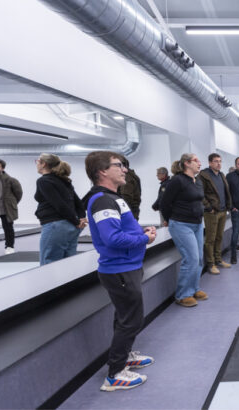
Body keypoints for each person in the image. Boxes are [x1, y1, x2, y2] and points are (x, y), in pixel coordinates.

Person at [84, 151, 156, 391]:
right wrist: (144, 239)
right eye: (119, 165)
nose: (125, 169)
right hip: (120, 269)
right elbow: (112, 238)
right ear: (102, 171)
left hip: (128, 266)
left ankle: (124, 356)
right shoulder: (103, 200)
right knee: (131, 321)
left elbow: (120, 230)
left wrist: (140, 232)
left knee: (125, 317)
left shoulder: (114, 198)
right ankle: (114, 375)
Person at [160, 154, 208, 307]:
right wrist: (170, 219)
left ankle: (194, 289)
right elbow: (164, 203)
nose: (199, 163)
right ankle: (182, 295)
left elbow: (198, 201)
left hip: (197, 224)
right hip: (181, 224)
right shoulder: (177, 180)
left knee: (199, 258)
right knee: (191, 258)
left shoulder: (197, 181)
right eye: (196, 160)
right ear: (187, 163)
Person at [34, 153, 87, 265]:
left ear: (43, 164)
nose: (36, 164)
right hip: (71, 226)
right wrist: (81, 218)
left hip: (56, 226)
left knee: (49, 263)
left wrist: (77, 221)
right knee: (69, 262)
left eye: (37, 161)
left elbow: (59, 205)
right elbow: (78, 203)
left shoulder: (43, 181)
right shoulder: (64, 180)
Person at [198, 153, 232, 274]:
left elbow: (225, 192)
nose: (219, 163)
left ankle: (218, 259)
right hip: (212, 213)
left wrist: (228, 206)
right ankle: (211, 264)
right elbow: (200, 194)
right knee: (210, 239)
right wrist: (208, 207)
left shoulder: (221, 175)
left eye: (220, 161)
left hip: (222, 211)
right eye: (216, 161)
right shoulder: (203, 176)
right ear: (210, 162)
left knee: (219, 237)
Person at [0, 158, 23, 254]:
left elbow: (18, 194)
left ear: (2, 168)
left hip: (6, 210)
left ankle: (9, 247)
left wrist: (11, 204)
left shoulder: (11, 180)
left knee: (8, 229)